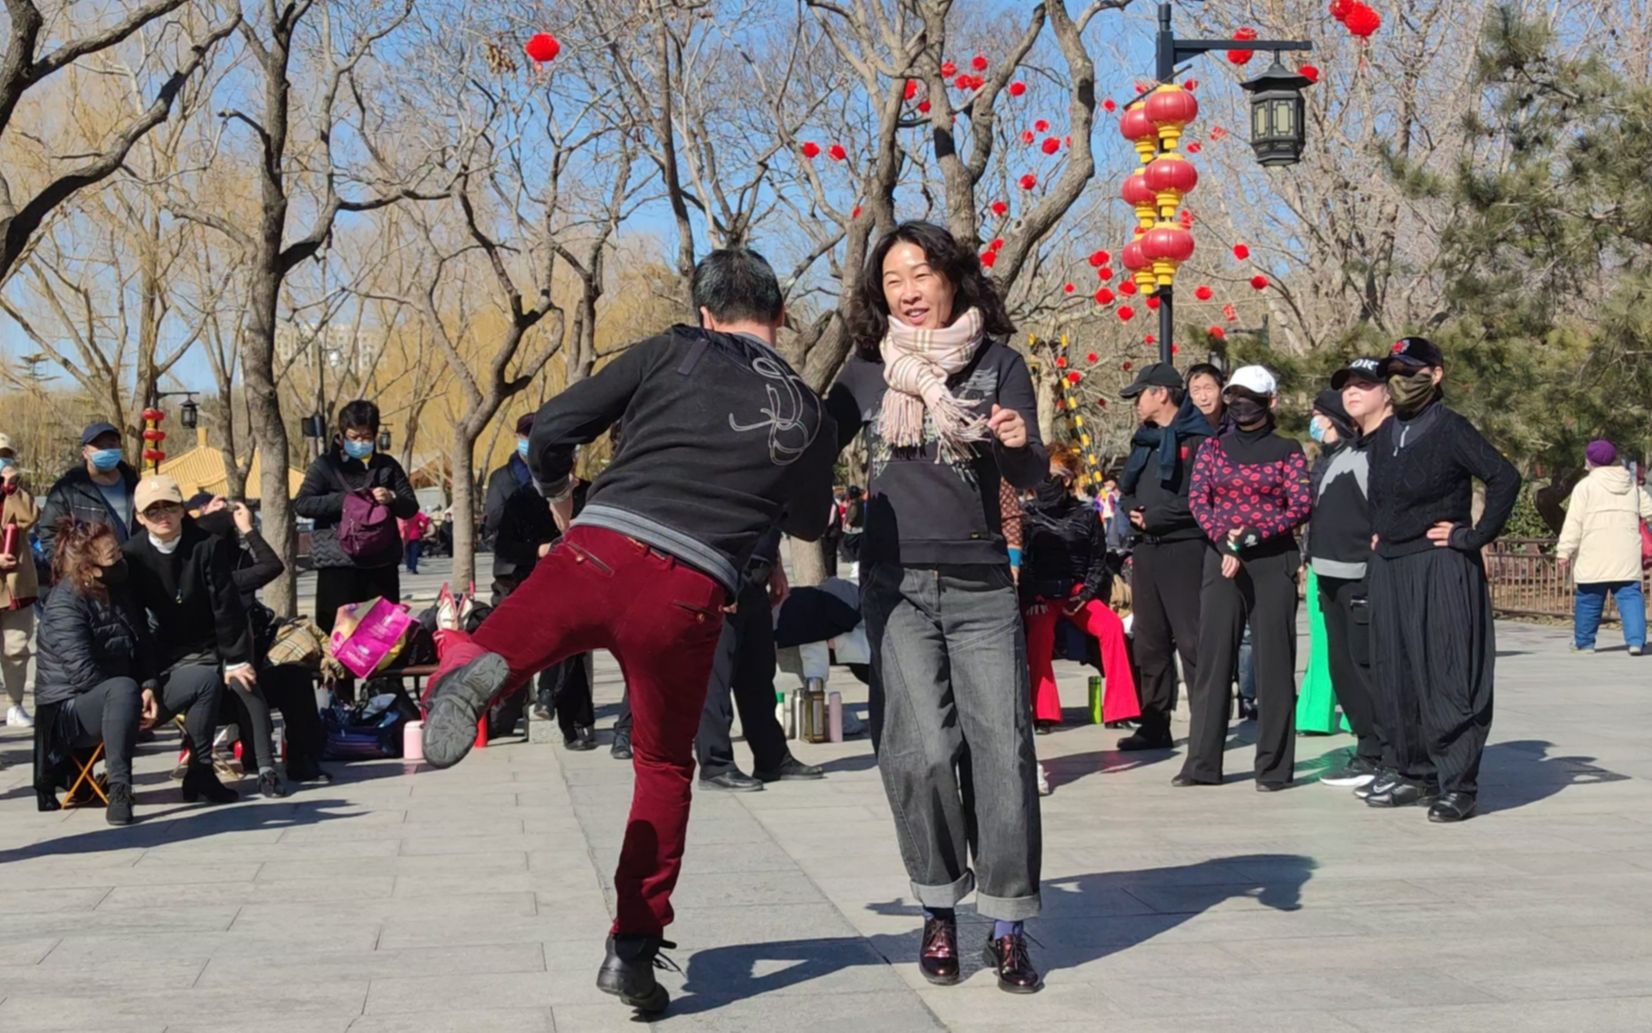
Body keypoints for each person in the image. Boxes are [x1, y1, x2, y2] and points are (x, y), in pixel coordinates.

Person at [419, 248, 837, 1014]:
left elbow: (553, 428)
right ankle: (633, 948)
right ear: (779, 316)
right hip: (689, 592)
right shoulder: (806, 409)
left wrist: (557, 495)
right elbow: (811, 518)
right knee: (664, 766)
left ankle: (473, 673)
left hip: (599, 547)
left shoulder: (674, 348)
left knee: (491, 645)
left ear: (707, 313)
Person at [825, 221, 1047, 994]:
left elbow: (1037, 477)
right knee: (916, 752)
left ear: (953, 277)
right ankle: (940, 910)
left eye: (922, 273)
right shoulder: (865, 369)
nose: (910, 291)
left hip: (983, 584)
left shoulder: (999, 362)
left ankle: (1010, 926)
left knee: (1003, 753)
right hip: (895, 586)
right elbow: (814, 445)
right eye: (893, 279)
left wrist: (1019, 443)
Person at [1365, 337, 1520, 823]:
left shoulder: (1451, 428)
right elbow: (1382, 492)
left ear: (1436, 375)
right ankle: (1413, 772)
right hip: (1392, 564)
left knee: (1447, 673)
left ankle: (1458, 782)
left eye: (1411, 370)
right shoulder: (1387, 433)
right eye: (1393, 370)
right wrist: (1380, 530)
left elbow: (1504, 477)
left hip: (1440, 566)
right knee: (1397, 673)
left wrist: (1472, 537)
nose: (1400, 379)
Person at [1181, 366, 1311, 790]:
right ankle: (1202, 764)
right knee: (1214, 662)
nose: (1240, 404)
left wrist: (1255, 535)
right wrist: (1225, 542)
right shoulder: (1213, 449)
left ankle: (1273, 768)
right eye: (1234, 395)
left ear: (1271, 401)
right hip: (1221, 561)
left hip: (1273, 561)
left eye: (1251, 396)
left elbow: (1300, 505)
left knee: (1275, 664)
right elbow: (1199, 500)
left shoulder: (1289, 449)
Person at [1019, 444, 1140, 795]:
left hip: (1076, 592)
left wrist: (1084, 595)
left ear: (1069, 480)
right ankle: (1043, 712)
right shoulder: (1026, 517)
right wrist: (1035, 596)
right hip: (1041, 594)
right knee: (1039, 632)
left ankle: (1121, 708)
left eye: (1055, 477)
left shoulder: (1087, 515)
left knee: (1112, 627)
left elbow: (1097, 562)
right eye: (1043, 476)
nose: (1048, 483)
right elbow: (1022, 564)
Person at [121, 475, 245, 803]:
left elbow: (226, 605)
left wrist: (235, 658)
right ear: (139, 517)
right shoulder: (131, 555)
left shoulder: (208, 544)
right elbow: (133, 622)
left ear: (182, 510)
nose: (163, 516)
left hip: (202, 644)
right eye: (153, 511)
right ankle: (119, 785)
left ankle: (200, 772)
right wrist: (146, 677)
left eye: (170, 507)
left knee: (207, 678)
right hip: (154, 651)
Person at [195, 498, 331, 784]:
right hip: (211, 685)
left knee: (294, 676)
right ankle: (265, 757)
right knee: (255, 678)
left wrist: (209, 517)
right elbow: (271, 565)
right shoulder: (219, 579)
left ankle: (298, 760)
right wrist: (247, 528)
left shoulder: (222, 570)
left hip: (243, 672)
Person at [482, 413, 595, 750]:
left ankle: (561, 709)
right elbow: (501, 542)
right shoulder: (518, 495)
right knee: (553, 628)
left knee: (572, 628)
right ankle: (548, 704)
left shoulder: (590, 492)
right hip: (526, 581)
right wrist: (541, 549)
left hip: (575, 585)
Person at [1116, 364, 1213, 750]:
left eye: (1140, 393)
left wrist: (1157, 515)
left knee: (1191, 640)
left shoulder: (1200, 439)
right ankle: (1154, 722)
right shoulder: (1144, 441)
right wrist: (1131, 509)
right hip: (1147, 549)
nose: (1136, 402)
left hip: (1185, 547)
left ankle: (1207, 724)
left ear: (1161, 394)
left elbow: (1202, 498)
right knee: (1149, 641)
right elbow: (1126, 488)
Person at [1306, 361, 1391, 788]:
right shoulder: (1338, 458)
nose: (1316, 423)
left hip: (1361, 576)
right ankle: (1367, 747)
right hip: (1329, 576)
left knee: (1364, 666)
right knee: (1342, 667)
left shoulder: (1375, 454)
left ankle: (1381, 751)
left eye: (1363, 385)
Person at [33, 521, 152, 823]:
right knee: (122, 688)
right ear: (90, 566)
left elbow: (142, 648)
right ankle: (119, 789)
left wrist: (150, 686)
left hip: (123, 696)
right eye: (113, 557)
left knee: (199, 680)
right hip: (70, 710)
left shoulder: (117, 591)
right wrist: (131, 698)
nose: (121, 561)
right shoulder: (65, 603)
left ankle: (201, 773)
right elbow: (83, 675)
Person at [696, 526, 824, 791]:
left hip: (756, 573)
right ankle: (716, 764)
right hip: (723, 571)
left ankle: (771, 757)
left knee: (758, 674)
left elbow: (765, 515)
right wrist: (717, 576)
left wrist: (774, 566)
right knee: (715, 680)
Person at [294, 400, 418, 632]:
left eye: (366, 437)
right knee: (336, 632)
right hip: (338, 564)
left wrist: (392, 497)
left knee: (381, 632)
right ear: (341, 436)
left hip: (381, 562)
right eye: (354, 437)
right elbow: (302, 504)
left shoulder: (387, 466)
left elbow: (410, 507)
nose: (360, 443)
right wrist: (346, 500)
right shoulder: (324, 466)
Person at [1557, 439, 1652, 655]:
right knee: (1630, 597)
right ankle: (1636, 641)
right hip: (1626, 552)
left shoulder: (1585, 487)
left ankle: (1585, 643)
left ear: (1589, 461)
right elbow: (1649, 509)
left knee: (1589, 598)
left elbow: (1573, 522)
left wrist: (1564, 552)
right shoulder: (1630, 486)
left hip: (1594, 552)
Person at [37, 421, 140, 559]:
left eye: (111, 445)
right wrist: (71, 568)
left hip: (135, 570)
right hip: (88, 574)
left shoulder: (136, 484)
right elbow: (50, 534)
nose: (106, 451)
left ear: (120, 448)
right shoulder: (67, 490)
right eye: (99, 446)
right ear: (85, 453)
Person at [1, 434, 40, 727]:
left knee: (17, 647)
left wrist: (13, 489)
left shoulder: (13, 492)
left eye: (6, 455)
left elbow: (29, 518)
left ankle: (14, 703)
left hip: (16, 583)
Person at [1185, 362, 1227, 432]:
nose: (1203, 398)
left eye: (1208, 389)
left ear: (1221, 389)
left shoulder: (1236, 422)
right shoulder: (1186, 428)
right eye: (1196, 391)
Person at [400, 509, 432, 575]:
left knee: (407, 552)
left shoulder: (403, 513)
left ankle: (408, 567)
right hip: (415, 534)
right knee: (414, 553)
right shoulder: (417, 514)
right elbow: (425, 520)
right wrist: (423, 529)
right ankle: (413, 568)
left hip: (405, 535)